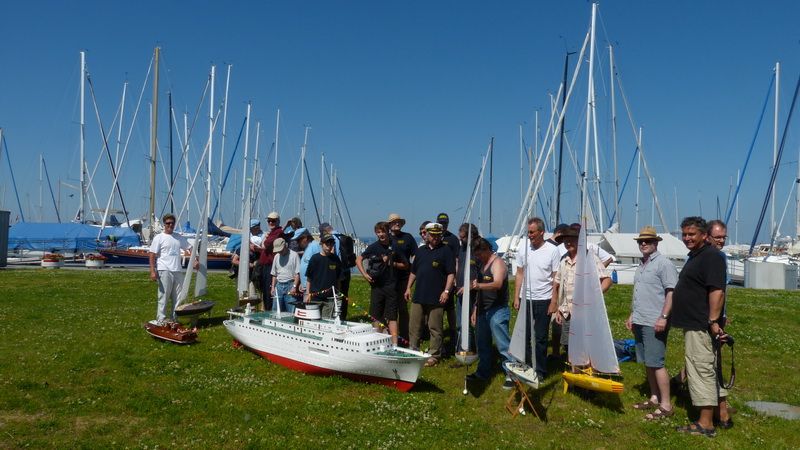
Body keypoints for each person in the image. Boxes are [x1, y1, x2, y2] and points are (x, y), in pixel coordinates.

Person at [672, 219, 734, 429]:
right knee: (710, 368)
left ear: (704, 235)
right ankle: (721, 415)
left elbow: (717, 291)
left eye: (692, 234)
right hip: (695, 322)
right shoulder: (697, 256)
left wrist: (713, 320)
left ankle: (705, 424)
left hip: (700, 323)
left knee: (701, 370)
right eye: (684, 234)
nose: (687, 238)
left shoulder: (711, 257)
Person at [626, 226, 678, 420]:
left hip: (654, 321)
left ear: (656, 242)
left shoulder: (664, 264)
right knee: (648, 362)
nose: (644, 244)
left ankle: (666, 405)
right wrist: (632, 315)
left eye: (648, 240)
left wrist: (663, 317)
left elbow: (671, 292)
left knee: (657, 363)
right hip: (640, 319)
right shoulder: (642, 264)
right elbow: (641, 293)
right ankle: (654, 398)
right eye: (641, 241)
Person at [549, 224, 612, 362]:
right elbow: (557, 283)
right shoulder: (564, 260)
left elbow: (607, 280)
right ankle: (574, 371)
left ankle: (587, 370)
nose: (568, 243)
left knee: (585, 343)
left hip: (585, 310)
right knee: (568, 344)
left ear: (579, 241)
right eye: (566, 241)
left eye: (571, 240)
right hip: (567, 310)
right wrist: (557, 307)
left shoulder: (590, 258)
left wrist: (594, 295)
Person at [513, 217, 561, 379]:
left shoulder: (552, 250)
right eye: (528, 232)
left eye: (532, 232)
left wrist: (554, 302)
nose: (529, 235)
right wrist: (516, 297)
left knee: (540, 338)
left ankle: (540, 370)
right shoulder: (523, 249)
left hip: (544, 299)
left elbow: (555, 278)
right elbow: (519, 273)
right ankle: (526, 366)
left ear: (541, 232)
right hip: (526, 298)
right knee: (524, 335)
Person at [405, 222, 456, 367]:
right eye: (433, 235)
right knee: (414, 326)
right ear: (427, 235)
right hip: (419, 295)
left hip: (437, 297)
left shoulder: (446, 250)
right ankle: (413, 350)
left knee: (435, 328)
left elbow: (451, 273)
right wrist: (408, 288)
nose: (435, 237)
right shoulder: (421, 251)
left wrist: (446, 291)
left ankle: (435, 354)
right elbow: (413, 272)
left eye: (438, 235)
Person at [468, 238, 513, 389]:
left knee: (503, 344)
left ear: (486, 249)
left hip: (497, 310)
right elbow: (479, 291)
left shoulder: (498, 263)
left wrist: (479, 285)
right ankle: (483, 372)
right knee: (483, 345)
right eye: (476, 255)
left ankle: (510, 374)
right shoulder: (483, 264)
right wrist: (475, 308)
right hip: (482, 309)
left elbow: (498, 283)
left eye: (479, 254)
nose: (478, 257)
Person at [356, 221, 409, 344]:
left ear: (387, 232)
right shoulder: (373, 247)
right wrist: (364, 275)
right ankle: (378, 342)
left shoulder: (395, 246)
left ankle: (395, 344)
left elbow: (406, 265)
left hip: (391, 286)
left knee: (392, 316)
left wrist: (392, 263)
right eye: (378, 232)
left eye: (383, 232)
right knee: (376, 315)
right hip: (376, 286)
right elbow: (358, 259)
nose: (381, 234)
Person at [148, 213, 197, 323]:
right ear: (164, 224)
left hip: (177, 270)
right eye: (168, 223)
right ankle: (161, 319)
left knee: (178, 297)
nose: (170, 225)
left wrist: (194, 259)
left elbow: (190, 248)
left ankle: (174, 319)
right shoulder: (159, 238)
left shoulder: (178, 237)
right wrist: (152, 271)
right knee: (164, 296)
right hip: (164, 270)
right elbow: (152, 254)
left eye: (172, 223)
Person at [451, 222, 480, 368]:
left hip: (475, 293)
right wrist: (456, 278)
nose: (460, 239)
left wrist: (469, 286)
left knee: (473, 323)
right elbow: (459, 262)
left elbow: (482, 274)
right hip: (460, 291)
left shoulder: (478, 250)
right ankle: (463, 351)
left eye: (462, 237)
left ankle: (474, 351)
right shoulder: (462, 248)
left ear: (471, 237)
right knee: (461, 323)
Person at [388, 213, 417, 346]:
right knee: (389, 308)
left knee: (403, 309)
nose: (397, 224)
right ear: (389, 225)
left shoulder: (408, 237)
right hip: (388, 279)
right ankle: (389, 335)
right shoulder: (386, 237)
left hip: (404, 278)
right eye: (394, 222)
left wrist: (414, 271)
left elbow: (415, 256)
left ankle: (404, 337)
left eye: (399, 222)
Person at [304, 233, 342, 319]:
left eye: (331, 244)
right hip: (315, 296)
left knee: (327, 320)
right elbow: (309, 278)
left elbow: (338, 279)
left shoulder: (335, 259)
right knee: (314, 320)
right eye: (327, 244)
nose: (329, 246)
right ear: (321, 244)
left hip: (330, 297)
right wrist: (308, 294)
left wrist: (338, 294)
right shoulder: (315, 258)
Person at [320, 222, 352, 321]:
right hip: (347, 270)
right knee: (344, 295)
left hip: (338, 271)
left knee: (335, 294)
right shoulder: (342, 236)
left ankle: (336, 316)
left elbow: (332, 254)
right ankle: (343, 317)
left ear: (325, 231)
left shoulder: (332, 239)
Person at [259, 212, 285, 311]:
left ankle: (270, 311)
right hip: (266, 266)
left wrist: (264, 240)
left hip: (271, 266)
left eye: (273, 221)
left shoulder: (277, 233)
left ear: (278, 221)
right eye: (269, 221)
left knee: (270, 291)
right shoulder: (272, 233)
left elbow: (265, 245)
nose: (270, 223)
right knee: (265, 291)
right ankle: (267, 309)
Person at [270, 237, 300, 314]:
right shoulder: (276, 256)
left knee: (291, 310)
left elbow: (297, 273)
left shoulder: (294, 255)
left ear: (285, 246)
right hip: (279, 285)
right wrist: (273, 287)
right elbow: (274, 274)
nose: (279, 252)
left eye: (281, 250)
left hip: (290, 284)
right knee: (276, 310)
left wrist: (294, 286)